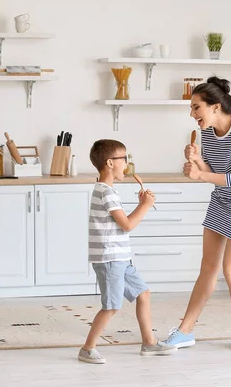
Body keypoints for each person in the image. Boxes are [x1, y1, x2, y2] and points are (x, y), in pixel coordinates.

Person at [161, 77, 231, 352]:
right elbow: (215, 170)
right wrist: (198, 161)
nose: (192, 114)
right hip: (221, 201)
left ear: (215, 106)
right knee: (207, 269)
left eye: (196, 108)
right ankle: (185, 331)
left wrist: (200, 174)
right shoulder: (207, 132)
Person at [78, 139, 177, 364]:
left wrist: (141, 204)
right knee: (111, 306)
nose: (127, 163)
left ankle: (149, 343)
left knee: (143, 294)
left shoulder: (107, 190)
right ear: (110, 163)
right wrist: (145, 206)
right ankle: (87, 348)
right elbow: (127, 225)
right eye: (124, 159)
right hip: (110, 258)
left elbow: (121, 223)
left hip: (120, 258)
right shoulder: (106, 192)